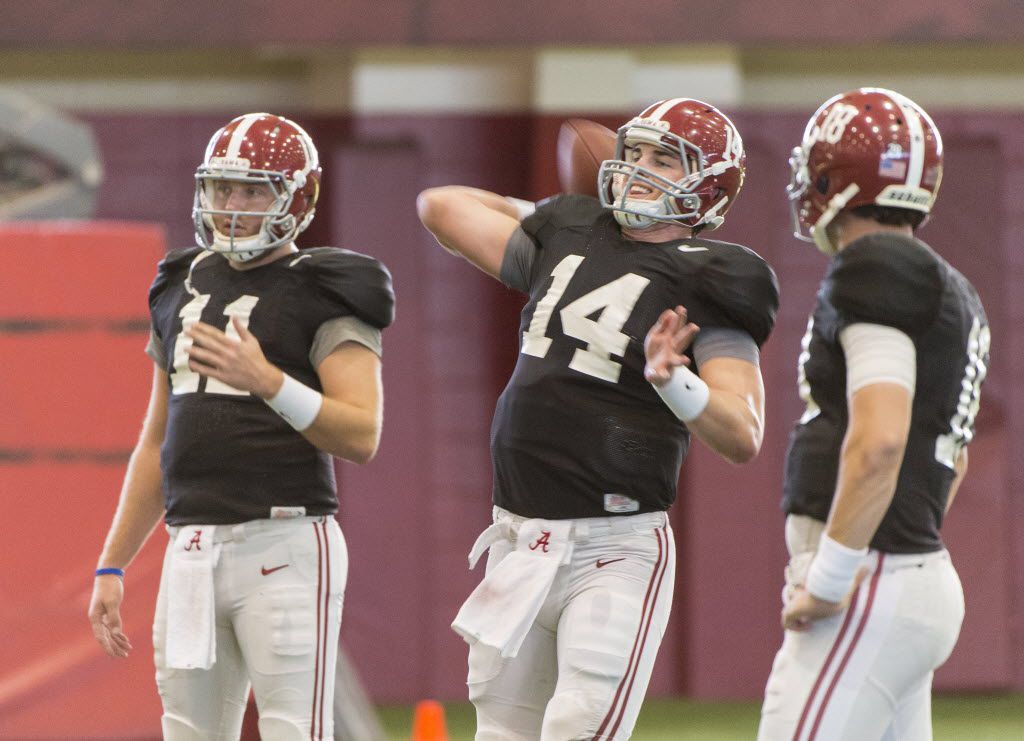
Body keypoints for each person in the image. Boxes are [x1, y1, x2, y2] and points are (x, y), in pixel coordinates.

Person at [418, 98, 779, 740]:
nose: (638, 168)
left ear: (708, 189)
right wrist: (549, 216)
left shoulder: (718, 276)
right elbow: (441, 207)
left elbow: (743, 431)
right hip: (520, 537)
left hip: (615, 547)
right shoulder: (568, 235)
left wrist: (677, 381)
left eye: (663, 159)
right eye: (632, 152)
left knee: (579, 728)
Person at [87, 112, 394, 741]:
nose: (232, 205)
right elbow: (157, 442)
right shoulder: (182, 282)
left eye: (254, 189)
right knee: (188, 733)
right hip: (192, 548)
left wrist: (269, 382)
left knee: (294, 732)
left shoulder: (326, 287)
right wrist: (112, 564)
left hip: (283, 544)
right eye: (222, 188)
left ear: (296, 196)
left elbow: (361, 434)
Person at [757, 88, 989, 740]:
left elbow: (882, 438)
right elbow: (956, 459)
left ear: (835, 174)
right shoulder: (950, 285)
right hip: (905, 572)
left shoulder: (877, 264)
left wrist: (831, 575)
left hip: (871, 577)